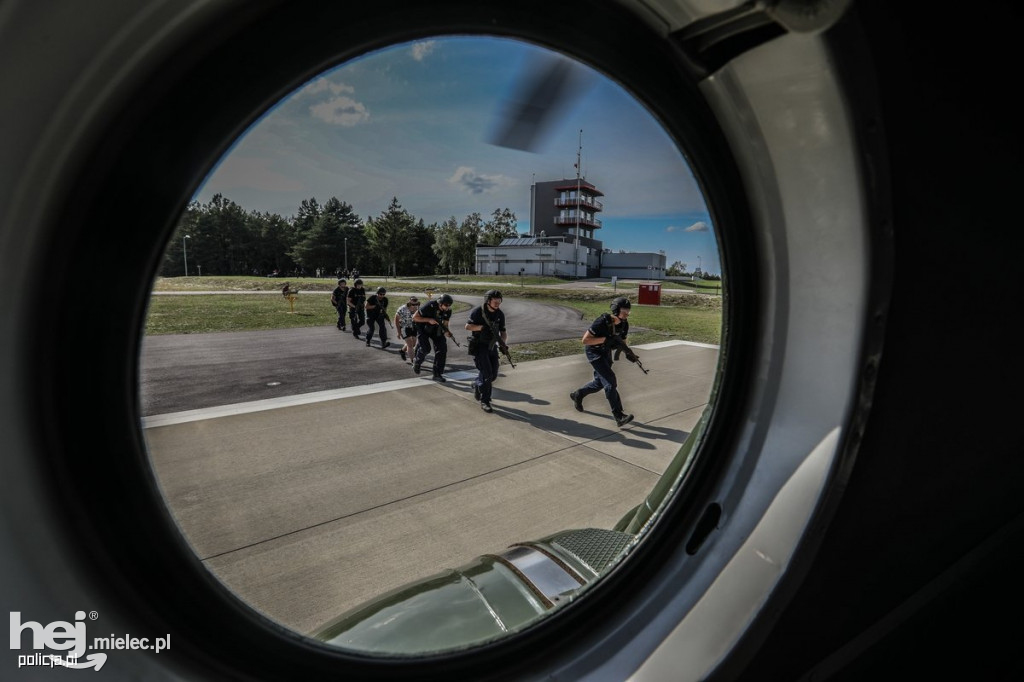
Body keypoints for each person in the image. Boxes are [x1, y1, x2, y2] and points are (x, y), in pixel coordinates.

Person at [570, 297, 637, 427]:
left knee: (599, 383)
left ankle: (579, 394)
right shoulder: (602, 321)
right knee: (610, 382)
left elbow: (622, 342)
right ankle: (618, 415)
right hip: (594, 353)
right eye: (624, 310)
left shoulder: (624, 324)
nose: (626, 313)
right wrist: (605, 340)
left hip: (606, 353)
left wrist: (629, 353)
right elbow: (585, 340)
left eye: (628, 311)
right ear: (616, 310)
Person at [465, 290, 507, 413]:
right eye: (495, 301)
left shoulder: (500, 314)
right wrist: (481, 328)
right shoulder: (478, 312)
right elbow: (467, 326)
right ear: (488, 301)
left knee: (493, 374)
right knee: (487, 374)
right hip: (479, 346)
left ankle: (478, 384)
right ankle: (485, 401)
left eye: (499, 301)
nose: (498, 303)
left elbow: (503, 331)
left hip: (492, 346)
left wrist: (503, 344)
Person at [412, 293, 454, 382]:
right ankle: (417, 361)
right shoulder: (429, 305)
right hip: (423, 328)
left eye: (449, 305)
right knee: (426, 349)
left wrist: (447, 332)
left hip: (436, 329)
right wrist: (428, 320)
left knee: (442, 349)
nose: (448, 307)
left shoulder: (448, 311)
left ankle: (437, 374)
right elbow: (415, 317)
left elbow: (445, 324)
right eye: (446, 305)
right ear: (440, 303)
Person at [394, 296, 420, 362]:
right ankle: (413, 361)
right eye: (413, 304)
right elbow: (396, 319)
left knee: (413, 344)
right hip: (404, 327)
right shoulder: (402, 309)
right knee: (410, 345)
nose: (415, 306)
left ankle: (402, 351)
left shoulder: (418, 308)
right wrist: (398, 332)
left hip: (414, 327)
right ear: (409, 303)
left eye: (417, 304)